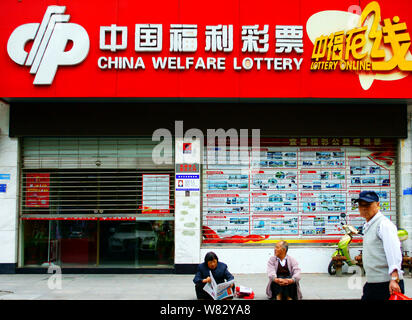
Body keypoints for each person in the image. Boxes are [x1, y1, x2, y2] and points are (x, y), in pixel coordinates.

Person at [355, 190, 405, 300]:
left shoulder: (384, 224)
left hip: (386, 284)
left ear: (377, 205)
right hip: (374, 283)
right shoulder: (369, 224)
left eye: (368, 205)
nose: (364, 208)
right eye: (361, 205)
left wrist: (394, 278)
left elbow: (393, 252)